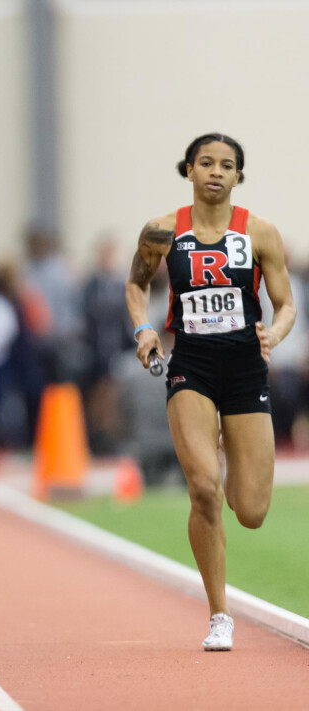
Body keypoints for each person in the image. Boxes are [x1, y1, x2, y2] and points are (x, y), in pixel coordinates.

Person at [125, 133, 296, 652]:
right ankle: (219, 614)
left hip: (246, 369)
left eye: (227, 165)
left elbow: (286, 303)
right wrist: (144, 328)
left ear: (238, 176)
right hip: (191, 366)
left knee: (251, 510)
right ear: (190, 170)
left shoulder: (261, 232)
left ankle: (227, 447)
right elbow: (137, 283)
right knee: (204, 489)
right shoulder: (161, 230)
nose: (216, 172)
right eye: (206, 163)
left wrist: (277, 333)